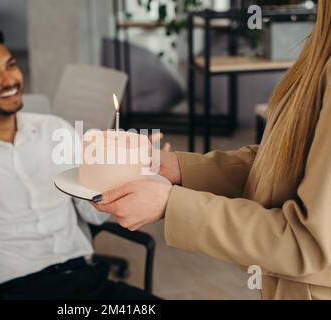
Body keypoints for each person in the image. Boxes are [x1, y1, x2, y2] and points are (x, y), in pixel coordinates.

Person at [92, 1, 331, 300]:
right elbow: (287, 162)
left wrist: (171, 204)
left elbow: (310, 243)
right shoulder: (320, 45)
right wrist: (177, 167)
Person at [0, 28, 157, 300]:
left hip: (86, 279)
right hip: (19, 290)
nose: (9, 79)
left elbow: (93, 214)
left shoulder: (55, 130)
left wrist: (122, 175)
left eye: (10, 65)